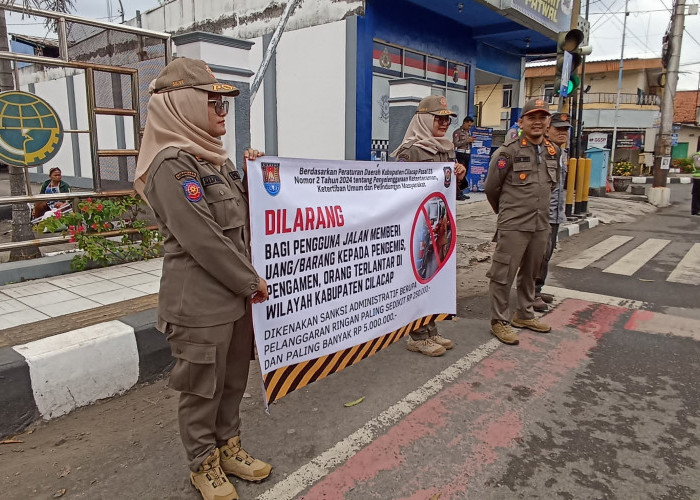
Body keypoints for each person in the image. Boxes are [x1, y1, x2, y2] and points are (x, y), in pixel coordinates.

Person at [134, 57, 271, 500]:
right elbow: (204, 239)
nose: (221, 111)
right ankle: (203, 464)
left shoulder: (215, 161)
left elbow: (245, 219)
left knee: (233, 381)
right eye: (212, 102)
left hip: (232, 300)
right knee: (202, 389)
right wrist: (250, 281)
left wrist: (256, 176)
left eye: (224, 103)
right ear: (183, 105)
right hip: (199, 303)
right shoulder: (171, 165)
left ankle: (228, 446)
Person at [390, 95, 468, 357]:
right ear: (424, 119)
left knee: (434, 278)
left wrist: (459, 175)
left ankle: (431, 329)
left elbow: (448, 192)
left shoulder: (445, 148)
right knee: (418, 277)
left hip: (440, 225)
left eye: (447, 119)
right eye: (439, 118)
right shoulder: (409, 152)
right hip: (417, 228)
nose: (445, 123)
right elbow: (398, 191)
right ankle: (418, 335)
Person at [484, 98, 560, 345]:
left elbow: (552, 184)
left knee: (531, 272)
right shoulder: (508, 152)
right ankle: (500, 321)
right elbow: (491, 187)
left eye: (542, 117)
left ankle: (524, 314)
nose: (537, 122)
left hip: (540, 224)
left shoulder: (553, 151)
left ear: (548, 122)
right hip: (514, 223)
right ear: (521, 121)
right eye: (532, 117)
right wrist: (506, 214)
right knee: (503, 274)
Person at [533, 112, 570, 311]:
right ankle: (531, 293)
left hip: (555, 213)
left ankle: (538, 289)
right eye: (558, 129)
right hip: (541, 213)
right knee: (538, 255)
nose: (563, 133)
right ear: (547, 129)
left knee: (547, 254)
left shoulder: (561, 153)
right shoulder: (542, 152)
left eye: (566, 130)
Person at [452, 116, 474, 200]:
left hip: (467, 154)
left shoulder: (468, 132)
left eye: (470, 126)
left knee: (464, 174)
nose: (469, 127)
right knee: (459, 174)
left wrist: (471, 141)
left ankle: (461, 192)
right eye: (468, 125)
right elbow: (456, 143)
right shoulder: (457, 132)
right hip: (460, 154)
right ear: (464, 123)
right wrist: (466, 140)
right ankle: (457, 193)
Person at [692, 151, 700, 215]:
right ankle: (695, 210)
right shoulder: (697, 156)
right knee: (696, 195)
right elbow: (697, 166)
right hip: (698, 178)